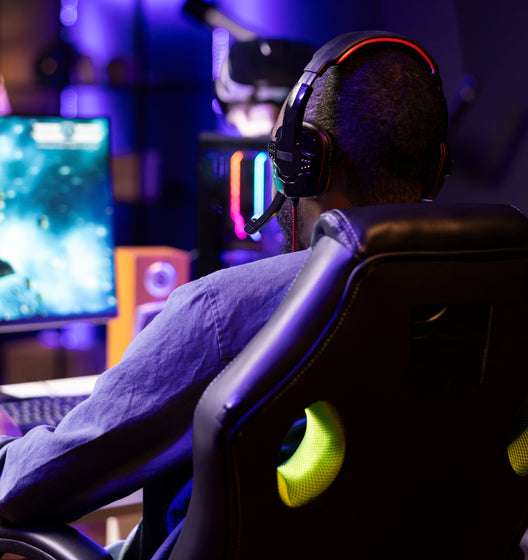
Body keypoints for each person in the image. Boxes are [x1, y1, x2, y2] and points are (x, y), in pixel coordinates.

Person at [0, 30, 449, 560]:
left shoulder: (222, 312)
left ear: (301, 160)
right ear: (436, 168)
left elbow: (27, 489)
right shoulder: (484, 289)